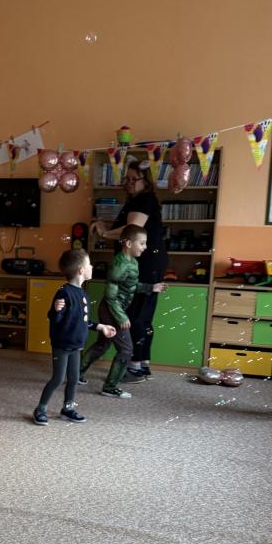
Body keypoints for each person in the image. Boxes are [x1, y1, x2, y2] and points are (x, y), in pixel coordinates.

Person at [91, 156, 167, 379]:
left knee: (135, 315)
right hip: (148, 262)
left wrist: (105, 233)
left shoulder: (144, 199)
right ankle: (142, 363)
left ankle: (134, 365)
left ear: (146, 181)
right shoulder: (140, 200)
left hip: (144, 264)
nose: (130, 183)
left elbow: (132, 229)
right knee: (143, 315)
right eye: (128, 179)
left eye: (135, 179)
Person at [80, 224, 165, 398]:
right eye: (142, 243)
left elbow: (131, 286)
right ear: (128, 244)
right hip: (111, 311)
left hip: (114, 310)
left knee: (102, 344)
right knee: (126, 349)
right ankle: (110, 387)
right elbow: (111, 296)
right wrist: (121, 317)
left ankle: (76, 373)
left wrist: (151, 287)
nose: (145, 247)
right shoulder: (119, 265)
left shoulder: (132, 262)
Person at [32, 249, 116, 425]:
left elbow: (83, 321)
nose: (92, 267)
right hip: (62, 346)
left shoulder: (83, 294)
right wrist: (55, 310)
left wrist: (101, 327)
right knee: (58, 379)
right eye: (89, 264)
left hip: (76, 346)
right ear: (81, 270)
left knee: (74, 379)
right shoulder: (64, 292)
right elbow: (54, 319)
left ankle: (68, 408)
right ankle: (40, 409)